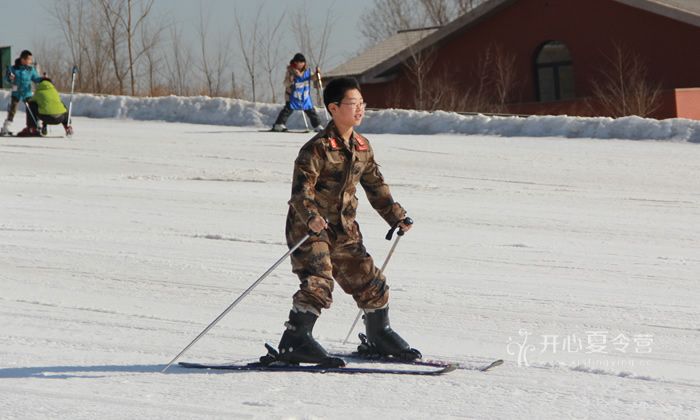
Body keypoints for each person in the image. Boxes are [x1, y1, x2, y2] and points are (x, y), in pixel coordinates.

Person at [264, 77, 420, 367]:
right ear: (334, 108)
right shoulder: (317, 148)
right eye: (353, 104)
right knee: (319, 282)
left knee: (370, 281)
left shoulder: (362, 146)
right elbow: (301, 194)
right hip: (310, 228)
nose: (360, 109)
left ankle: (378, 334)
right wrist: (311, 218)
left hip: (344, 228)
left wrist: (396, 216)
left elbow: (376, 187)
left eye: (362, 103)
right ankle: (295, 340)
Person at [271, 53, 323, 132]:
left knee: (310, 110)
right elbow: (285, 83)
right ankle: (279, 124)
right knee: (288, 109)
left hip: (304, 96)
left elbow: (313, 78)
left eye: (302, 62)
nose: (301, 64)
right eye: (299, 62)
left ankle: (317, 125)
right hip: (292, 96)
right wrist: (290, 80)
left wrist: (317, 74)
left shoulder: (307, 71)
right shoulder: (291, 71)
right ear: (295, 63)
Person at [1, 50, 42, 136]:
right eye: (29, 59)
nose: (30, 61)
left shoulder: (31, 69)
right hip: (16, 93)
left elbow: (36, 79)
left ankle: (35, 126)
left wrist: (43, 80)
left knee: (32, 109)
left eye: (31, 59)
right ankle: (5, 128)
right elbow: (6, 79)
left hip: (27, 93)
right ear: (23, 59)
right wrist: (10, 78)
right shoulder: (13, 69)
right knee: (12, 110)